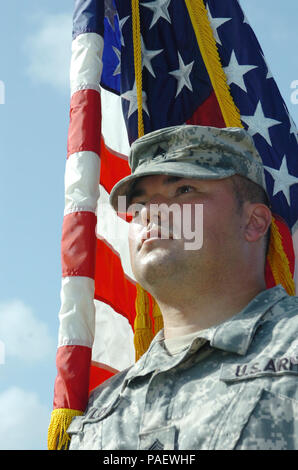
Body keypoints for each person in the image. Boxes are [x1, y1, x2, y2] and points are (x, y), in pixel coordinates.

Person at [67, 125, 298, 450]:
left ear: (254, 222)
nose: (150, 213)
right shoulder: (99, 414)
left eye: (184, 190)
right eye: (139, 204)